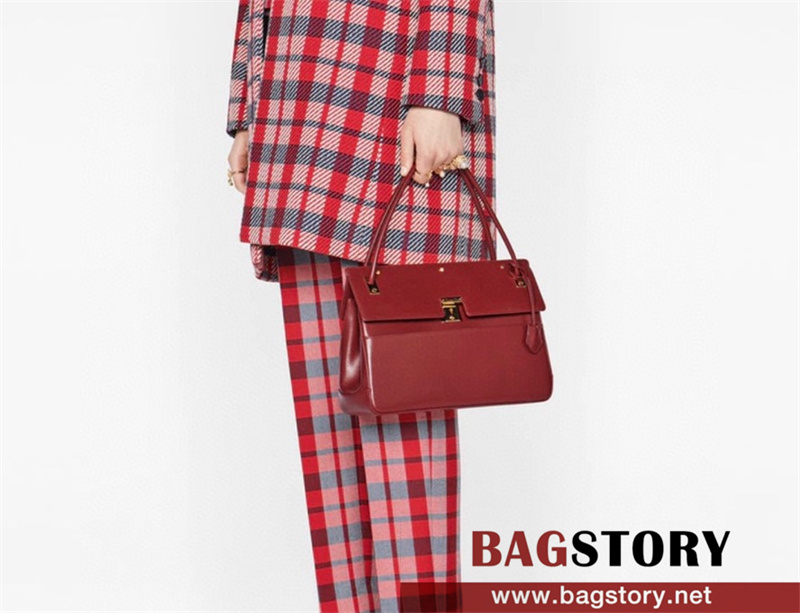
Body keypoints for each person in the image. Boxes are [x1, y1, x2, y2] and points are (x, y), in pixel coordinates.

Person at [224, 1, 496, 611]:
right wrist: (248, 107)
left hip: (394, 85)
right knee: (329, 427)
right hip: (292, 99)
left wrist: (440, 90)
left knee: (403, 412)